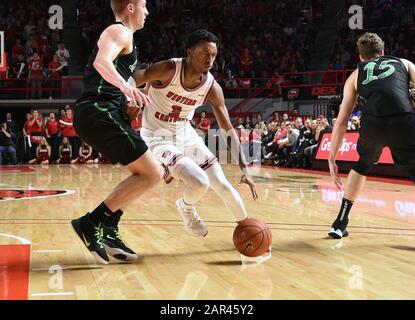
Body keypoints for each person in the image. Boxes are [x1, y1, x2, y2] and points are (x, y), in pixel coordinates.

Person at [134, 29, 258, 238]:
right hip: (156, 135)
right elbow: (135, 78)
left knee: (223, 185)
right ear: (189, 52)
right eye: (204, 54)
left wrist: (244, 167)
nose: (210, 60)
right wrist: (132, 97)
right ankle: (186, 207)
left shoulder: (212, 87)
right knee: (200, 182)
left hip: (185, 133)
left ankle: (248, 230)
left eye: (213, 55)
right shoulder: (168, 69)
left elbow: (227, 128)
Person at [72, 0, 161, 264]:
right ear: (131, 7)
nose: (147, 11)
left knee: (146, 174)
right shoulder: (118, 30)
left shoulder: (127, 39)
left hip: (104, 112)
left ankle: (108, 228)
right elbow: (101, 62)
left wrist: (126, 104)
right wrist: (126, 88)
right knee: (152, 172)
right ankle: (92, 223)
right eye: (144, 6)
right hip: (97, 111)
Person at [328, 33, 415, 239]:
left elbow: (342, 120)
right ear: (383, 51)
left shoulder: (355, 75)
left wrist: (332, 157)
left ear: (360, 57)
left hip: (373, 124)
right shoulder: (403, 62)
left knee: (362, 165)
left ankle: (339, 224)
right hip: (403, 119)